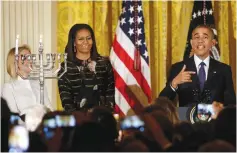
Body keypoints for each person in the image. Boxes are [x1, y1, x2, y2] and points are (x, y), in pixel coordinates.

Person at [159, 25, 236, 107]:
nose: (200, 41)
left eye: (205, 37)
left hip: (215, 119)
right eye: (197, 37)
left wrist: (220, 110)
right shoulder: (178, 68)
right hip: (186, 118)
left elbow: (231, 105)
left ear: (212, 43)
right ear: (192, 43)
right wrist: (174, 84)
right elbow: (162, 102)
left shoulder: (223, 70)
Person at [58, 23, 115, 112]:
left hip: (102, 117)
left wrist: (105, 114)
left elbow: (110, 94)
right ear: (73, 42)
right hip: (77, 120)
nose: (86, 42)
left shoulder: (104, 63)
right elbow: (66, 101)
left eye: (89, 38)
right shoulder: (65, 67)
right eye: (81, 39)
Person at [1, 45, 53, 117]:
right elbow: (12, 117)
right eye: (25, 57)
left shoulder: (39, 83)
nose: (30, 60)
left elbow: (50, 108)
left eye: (31, 57)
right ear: (15, 62)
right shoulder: (9, 87)